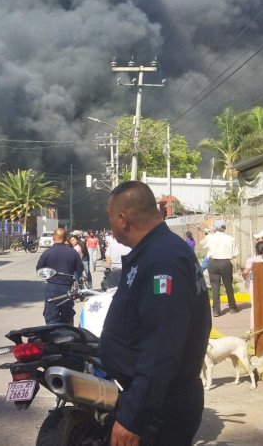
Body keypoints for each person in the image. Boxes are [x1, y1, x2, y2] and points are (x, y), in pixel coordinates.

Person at [99, 181, 211, 446]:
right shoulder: (156, 250)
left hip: (161, 408)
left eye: (110, 217)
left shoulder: (163, 259)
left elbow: (162, 348)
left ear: (123, 220)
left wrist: (133, 418)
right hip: (155, 398)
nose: (111, 225)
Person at [35, 227, 83, 325]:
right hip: (67, 289)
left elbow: (39, 270)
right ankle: (68, 338)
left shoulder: (47, 253)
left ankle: (53, 337)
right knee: (67, 318)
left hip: (52, 288)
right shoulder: (72, 252)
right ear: (66, 239)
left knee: (51, 318)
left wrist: (49, 275)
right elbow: (80, 269)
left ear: (53, 238)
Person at [199, 219, 239, 317]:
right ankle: (232, 308)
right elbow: (235, 254)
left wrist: (210, 233)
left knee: (215, 287)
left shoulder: (210, 237)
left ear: (215, 227)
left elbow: (201, 244)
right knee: (228, 286)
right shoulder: (230, 238)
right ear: (224, 228)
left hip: (213, 262)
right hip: (225, 262)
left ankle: (216, 310)